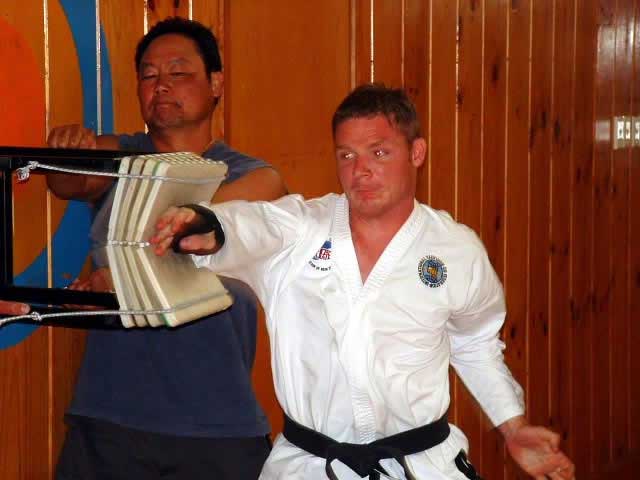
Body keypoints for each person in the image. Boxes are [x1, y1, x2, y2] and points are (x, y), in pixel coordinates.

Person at [151, 84, 576, 480]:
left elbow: (475, 343)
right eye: (347, 155)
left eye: (379, 152)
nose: (361, 171)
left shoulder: (455, 249)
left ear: (417, 153)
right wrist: (209, 224)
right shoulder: (300, 231)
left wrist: (513, 427)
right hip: (311, 465)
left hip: (423, 464)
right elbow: (252, 224)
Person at [46, 17, 286, 480]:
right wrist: (66, 146)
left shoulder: (256, 177)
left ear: (215, 84)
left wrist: (119, 278)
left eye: (179, 72)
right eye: (149, 75)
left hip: (218, 425)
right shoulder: (119, 156)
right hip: (109, 416)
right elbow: (63, 181)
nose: (161, 85)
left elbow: (188, 227)